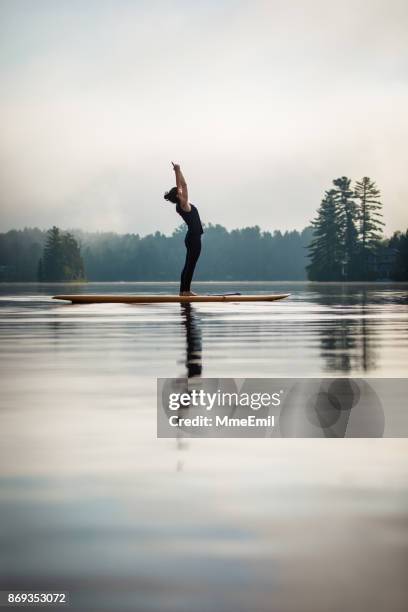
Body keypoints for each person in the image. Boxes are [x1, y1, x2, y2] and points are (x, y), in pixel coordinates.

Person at [164, 162, 204, 296]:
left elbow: (183, 185)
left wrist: (179, 170)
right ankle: (186, 291)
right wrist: (177, 172)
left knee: (188, 264)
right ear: (178, 196)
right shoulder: (183, 204)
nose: (183, 191)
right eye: (180, 192)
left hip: (190, 238)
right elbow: (181, 186)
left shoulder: (182, 204)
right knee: (190, 265)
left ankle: (182, 291)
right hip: (194, 239)